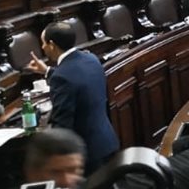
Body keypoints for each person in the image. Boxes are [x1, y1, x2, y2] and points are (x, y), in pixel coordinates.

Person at [25, 22, 119, 173]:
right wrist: (47, 71)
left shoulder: (62, 77)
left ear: (51, 44)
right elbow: (76, 77)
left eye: (43, 43)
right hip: (106, 142)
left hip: (86, 155)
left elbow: (62, 125)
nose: (42, 48)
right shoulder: (91, 59)